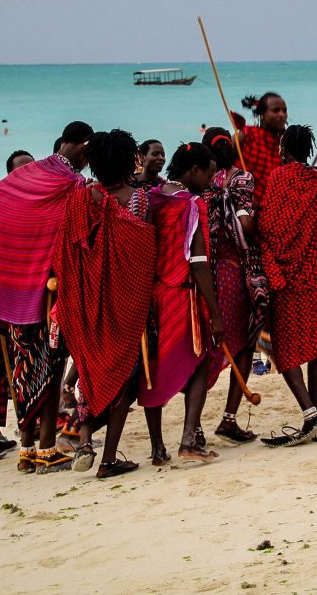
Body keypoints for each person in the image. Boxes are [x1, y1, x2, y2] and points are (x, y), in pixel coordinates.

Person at [0, 120, 93, 472]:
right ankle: (47, 448)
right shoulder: (70, 182)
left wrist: (7, 263)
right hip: (46, 294)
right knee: (49, 369)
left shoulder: (36, 171)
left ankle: (26, 450)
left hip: (16, 292)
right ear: (82, 145)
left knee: (24, 370)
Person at [54, 130, 157, 478]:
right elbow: (146, 253)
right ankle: (109, 458)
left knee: (92, 370)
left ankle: (84, 439)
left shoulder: (81, 199)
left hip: (87, 300)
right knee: (124, 378)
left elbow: (66, 251)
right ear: (130, 160)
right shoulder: (139, 201)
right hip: (126, 301)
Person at [259, 124, 317, 444]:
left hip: (291, 277)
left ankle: (310, 415)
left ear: (283, 149)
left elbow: (271, 226)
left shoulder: (277, 178)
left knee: (285, 349)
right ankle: (315, 414)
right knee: (313, 348)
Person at [140, 142, 224, 464]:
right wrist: (214, 313)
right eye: (208, 175)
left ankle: (157, 448)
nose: (210, 182)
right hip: (183, 293)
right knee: (200, 360)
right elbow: (199, 261)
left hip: (155, 292)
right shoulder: (191, 204)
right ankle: (189, 438)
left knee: (153, 368)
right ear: (193, 171)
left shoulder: (152, 196)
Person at [201, 127, 269, 443]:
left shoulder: (201, 184)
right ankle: (228, 418)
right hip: (234, 273)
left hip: (203, 275)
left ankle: (195, 427)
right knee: (242, 343)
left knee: (206, 348)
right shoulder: (242, 180)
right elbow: (245, 224)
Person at [234, 92, 288, 205]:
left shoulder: (285, 144)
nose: (282, 114)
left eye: (284, 110)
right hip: (243, 209)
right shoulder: (246, 136)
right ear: (262, 114)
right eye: (276, 110)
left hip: (273, 210)